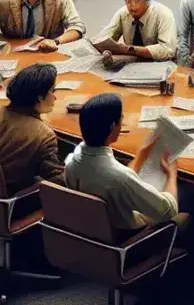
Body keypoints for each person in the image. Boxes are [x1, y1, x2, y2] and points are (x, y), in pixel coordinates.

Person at [63, 92, 179, 234]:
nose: (122, 121)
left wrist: (141, 156)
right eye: (121, 118)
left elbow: (117, 179)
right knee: (183, 204)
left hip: (93, 232)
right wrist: (172, 174)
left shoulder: (72, 162)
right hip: (127, 238)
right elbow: (167, 210)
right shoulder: (121, 178)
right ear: (113, 127)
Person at [0, 62, 65, 196]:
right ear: (39, 98)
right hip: (7, 202)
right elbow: (55, 180)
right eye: (53, 91)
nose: (55, 97)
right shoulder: (44, 135)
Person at [96, 0, 177, 67]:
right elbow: (103, 39)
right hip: (131, 64)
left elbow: (167, 50)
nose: (132, 4)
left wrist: (132, 49)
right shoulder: (123, 13)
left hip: (160, 65)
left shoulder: (164, 14)